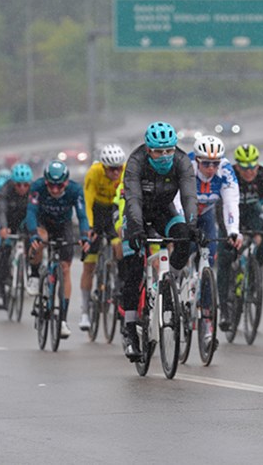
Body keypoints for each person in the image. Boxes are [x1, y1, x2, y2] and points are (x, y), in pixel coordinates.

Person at [120, 121, 199, 361]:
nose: (165, 156)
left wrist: (193, 225)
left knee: (184, 236)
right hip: (138, 215)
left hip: (165, 211)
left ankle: (169, 283)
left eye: (169, 150)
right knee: (133, 267)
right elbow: (132, 199)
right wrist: (135, 228)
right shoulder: (136, 163)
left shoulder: (182, 161)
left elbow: (188, 195)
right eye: (159, 151)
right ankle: (130, 328)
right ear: (148, 150)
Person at [25, 160, 90, 340]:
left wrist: (85, 235)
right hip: (42, 223)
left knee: (65, 269)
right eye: (51, 186)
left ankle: (62, 320)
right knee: (41, 239)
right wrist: (33, 235)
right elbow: (30, 212)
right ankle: (35, 274)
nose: (54, 190)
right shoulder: (37, 187)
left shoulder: (75, 190)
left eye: (59, 186)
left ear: (66, 182)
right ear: (45, 182)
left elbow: (82, 215)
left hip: (63, 225)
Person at [184, 135, 242, 330]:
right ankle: (173, 289)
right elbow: (175, 200)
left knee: (208, 262)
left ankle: (207, 316)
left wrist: (233, 231)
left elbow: (231, 202)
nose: (211, 168)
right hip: (184, 213)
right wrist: (185, 227)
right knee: (182, 252)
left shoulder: (225, 170)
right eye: (206, 163)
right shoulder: (186, 167)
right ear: (197, 160)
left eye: (214, 163)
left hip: (207, 216)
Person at [80, 144, 126, 331]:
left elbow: (125, 201)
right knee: (89, 263)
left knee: (120, 247)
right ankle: (85, 311)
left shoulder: (124, 173)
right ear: (104, 167)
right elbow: (87, 201)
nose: (116, 172)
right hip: (97, 212)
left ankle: (121, 283)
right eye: (111, 169)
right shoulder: (94, 173)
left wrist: (123, 227)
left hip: (114, 211)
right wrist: (89, 227)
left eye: (119, 168)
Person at [0, 163, 34, 309]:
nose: (22, 189)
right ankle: (1, 291)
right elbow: (1, 211)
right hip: (9, 222)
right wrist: (4, 227)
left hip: (25, 221)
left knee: (32, 244)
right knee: (4, 251)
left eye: (25, 185)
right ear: (13, 183)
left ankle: (31, 273)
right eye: (19, 185)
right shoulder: (6, 190)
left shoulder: (33, 192)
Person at [233, 143, 263, 264]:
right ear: (237, 166)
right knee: (225, 252)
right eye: (245, 168)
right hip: (234, 211)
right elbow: (221, 205)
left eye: (252, 167)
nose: (249, 172)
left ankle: (256, 266)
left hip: (253, 210)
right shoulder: (230, 175)